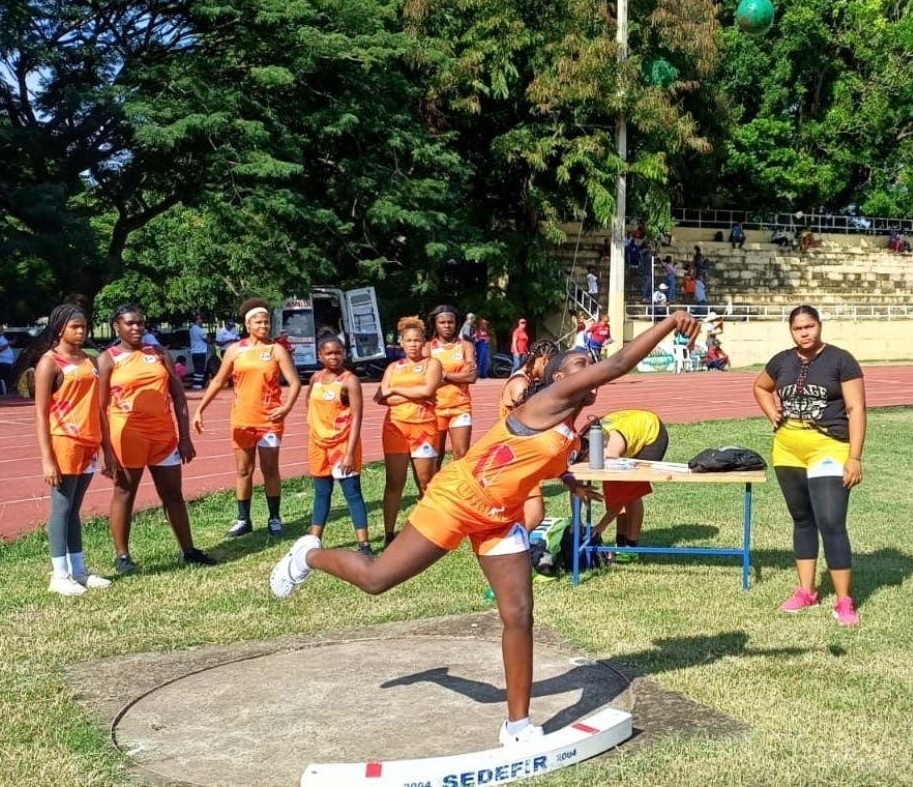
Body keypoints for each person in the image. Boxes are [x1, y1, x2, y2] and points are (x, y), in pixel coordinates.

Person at [269, 310, 702, 745]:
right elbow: (618, 364)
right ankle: (307, 554)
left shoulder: (570, 430)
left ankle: (517, 726)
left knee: (518, 614)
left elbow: (536, 460)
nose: (587, 371)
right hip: (457, 500)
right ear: (557, 380)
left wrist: (568, 478)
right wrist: (669, 324)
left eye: (587, 365)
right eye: (578, 367)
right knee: (376, 578)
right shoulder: (545, 402)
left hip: (500, 518)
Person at [752, 305, 866, 626]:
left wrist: (854, 457)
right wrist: (772, 412)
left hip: (828, 446)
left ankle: (844, 600)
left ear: (819, 326)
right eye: (798, 328)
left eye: (810, 326)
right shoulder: (782, 361)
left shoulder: (840, 360)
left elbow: (856, 409)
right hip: (787, 448)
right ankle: (806, 591)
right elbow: (760, 386)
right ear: (791, 331)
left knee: (830, 521)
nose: (804, 333)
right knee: (802, 519)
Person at [98, 304, 217, 574]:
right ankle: (122, 556)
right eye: (130, 323)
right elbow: (100, 408)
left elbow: (178, 396)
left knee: (173, 495)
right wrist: (104, 449)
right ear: (116, 326)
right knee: (125, 493)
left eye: (140, 323)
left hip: (163, 437)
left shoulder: (160, 353)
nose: (137, 327)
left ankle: (188, 550)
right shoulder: (108, 359)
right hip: (128, 436)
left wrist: (184, 436)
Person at [194, 297, 302, 539]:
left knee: (270, 469)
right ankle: (243, 519)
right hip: (242, 420)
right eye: (259, 323)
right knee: (244, 470)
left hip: (270, 421)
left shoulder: (276, 350)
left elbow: (294, 382)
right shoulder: (235, 351)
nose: (264, 327)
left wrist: (285, 408)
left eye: (266, 323)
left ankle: (274, 517)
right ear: (247, 324)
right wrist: (200, 408)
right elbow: (219, 381)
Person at [34, 304, 118, 595]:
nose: (81, 332)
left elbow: (100, 408)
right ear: (60, 329)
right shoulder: (49, 363)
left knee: (74, 509)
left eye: (84, 327)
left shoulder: (90, 361)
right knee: (61, 508)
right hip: (64, 442)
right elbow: (41, 414)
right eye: (75, 327)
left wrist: (107, 449)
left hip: (89, 442)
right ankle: (59, 575)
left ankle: (78, 569)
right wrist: (47, 458)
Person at [376, 316, 442, 547]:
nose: (413, 344)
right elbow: (381, 395)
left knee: (425, 481)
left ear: (424, 342)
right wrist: (412, 391)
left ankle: (430, 531)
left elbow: (428, 390)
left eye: (417, 340)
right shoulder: (393, 367)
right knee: (394, 481)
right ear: (401, 343)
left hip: (424, 428)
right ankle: (389, 533)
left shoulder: (432, 364)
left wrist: (396, 389)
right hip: (395, 428)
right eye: (408, 340)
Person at [306, 334, 373, 559]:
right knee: (321, 492)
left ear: (344, 353)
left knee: (352, 493)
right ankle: (314, 540)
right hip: (318, 444)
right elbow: (309, 403)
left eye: (338, 352)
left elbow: (357, 417)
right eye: (329, 353)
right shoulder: (315, 379)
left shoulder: (349, 381)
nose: (334, 357)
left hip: (342, 445)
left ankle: (363, 544)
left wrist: (349, 453)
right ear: (320, 355)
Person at [580, 409, 668, 558]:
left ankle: (631, 546)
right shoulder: (582, 444)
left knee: (630, 492)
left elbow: (619, 501)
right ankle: (621, 542)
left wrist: (600, 527)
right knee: (616, 491)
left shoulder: (609, 454)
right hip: (626, 429)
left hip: (651, 434)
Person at [498, 339, 560, 531]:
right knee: (535, 514)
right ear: (543, 359)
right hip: (514, 455)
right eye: (551, 364)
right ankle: (509, 551)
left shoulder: (528, 380)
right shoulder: (520, 384)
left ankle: (513, 550)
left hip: (521, 455)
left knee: (526, 514)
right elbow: (528, 419)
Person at [429, 305, 478, 463]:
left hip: (460, 406)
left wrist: (445, 375)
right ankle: (434, 488)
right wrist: (460, 374)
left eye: (450, 322)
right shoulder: (427, 348)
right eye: (442, 322)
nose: (447, 326)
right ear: (435, 324)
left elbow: (471, 377)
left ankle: (459, 488)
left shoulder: (465, 346)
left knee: (461, 454)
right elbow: (428, 379)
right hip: (435, 408)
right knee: (435, 456)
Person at [189, 312, 209, 390]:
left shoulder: (191, 329)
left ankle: (196, 384)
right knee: (200, 369)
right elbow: (206, 339)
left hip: (194, 351)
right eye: (201, 319)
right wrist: (210, 340)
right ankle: (198, 385)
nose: (202, 320)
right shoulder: (200, 330)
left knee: (197, 369)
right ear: (198, 319)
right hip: (200, 351)